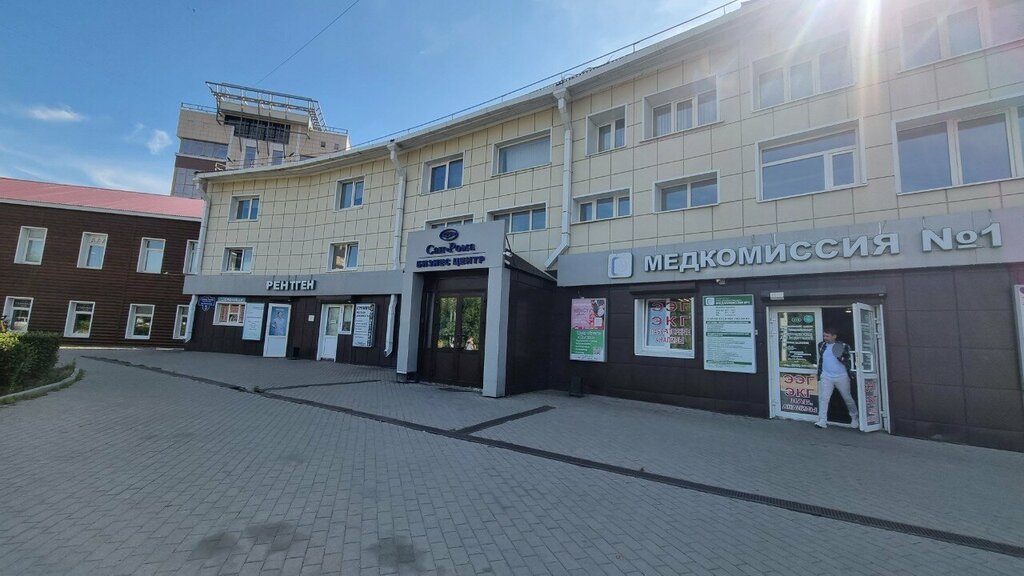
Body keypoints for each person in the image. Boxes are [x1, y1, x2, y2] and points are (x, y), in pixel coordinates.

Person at [815, 327, 859, 429]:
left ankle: (854, 417)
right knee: (824, 398)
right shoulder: (821, 345)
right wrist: (820, 374)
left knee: (847, 398)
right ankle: (822, 420)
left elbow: (849, 359)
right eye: (824, 336)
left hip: (841, 376)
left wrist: (840, 357)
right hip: (826, 376)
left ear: (834, 336)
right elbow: (822, 359)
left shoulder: (843, 346)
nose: (825, 338)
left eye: (827, 336)